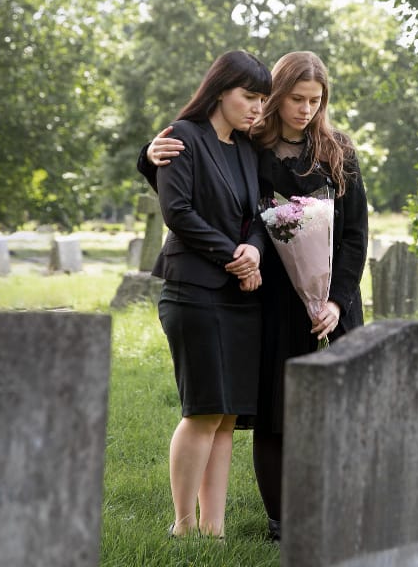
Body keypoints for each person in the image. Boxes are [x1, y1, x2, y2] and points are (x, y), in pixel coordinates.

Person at [139, 51, 368, 542]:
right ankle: (278, 520)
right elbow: (197, 173)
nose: (306, 109)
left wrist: (335, 301)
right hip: (268, 299)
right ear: (275, 98)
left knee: (336, 409)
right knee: (271, 411)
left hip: (330, 301)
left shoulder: (337, 152)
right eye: (295, 99)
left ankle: (341, 505)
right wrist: (146, 154)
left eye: (317, 100)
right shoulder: (254, 145)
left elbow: (353, 236)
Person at [146, 49, 272, 539]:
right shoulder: (181, 138)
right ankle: (182, 526)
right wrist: (233, 256)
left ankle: (213, 530)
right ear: (221, 90)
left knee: (225, 418)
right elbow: (177, 211)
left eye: (264, 99)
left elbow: (258, 216)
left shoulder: (246, 149)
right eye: (250, 96)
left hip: (240, 297)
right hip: (192, 290)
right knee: (200, 410)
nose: (258, 107)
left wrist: (255, 253)